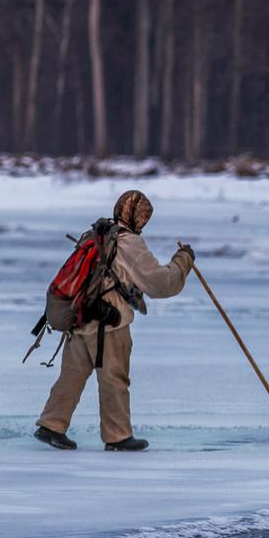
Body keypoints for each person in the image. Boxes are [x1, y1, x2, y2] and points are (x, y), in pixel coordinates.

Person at [34, 190, 193, 452]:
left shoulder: (95, 233)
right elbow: (161, 284)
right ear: (137, 217)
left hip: (80, 318)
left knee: (72, 376)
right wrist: (183, 260)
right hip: (109, 325)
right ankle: (117, 436)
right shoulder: (129, 243)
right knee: (114, 379)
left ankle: (51, 424)